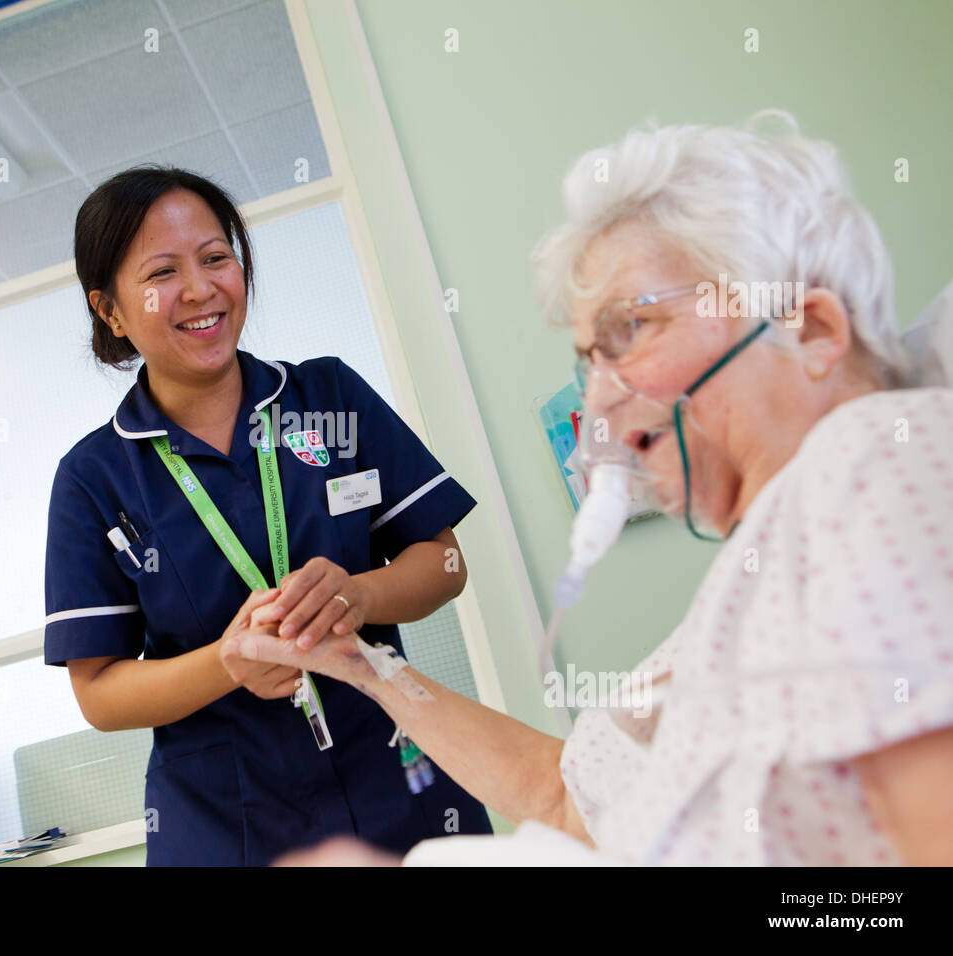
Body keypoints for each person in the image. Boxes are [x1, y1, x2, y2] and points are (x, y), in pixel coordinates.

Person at [224, 112, 953, 865]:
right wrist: (364, 666)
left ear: (810, 331)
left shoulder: (876, 461)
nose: (595, 402)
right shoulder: (747, 595)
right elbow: (563, 799)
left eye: (629, 331)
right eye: (588, 360)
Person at [42, 166, 493, 865]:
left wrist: (359, 591)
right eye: (163, 271)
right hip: (226, 826)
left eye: (217, 257)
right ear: (111, 312)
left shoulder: (329, 396)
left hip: (400, 778)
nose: (200, 289)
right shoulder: (93, 478)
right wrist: (229, 661)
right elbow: (99, 693)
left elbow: (447, 562)